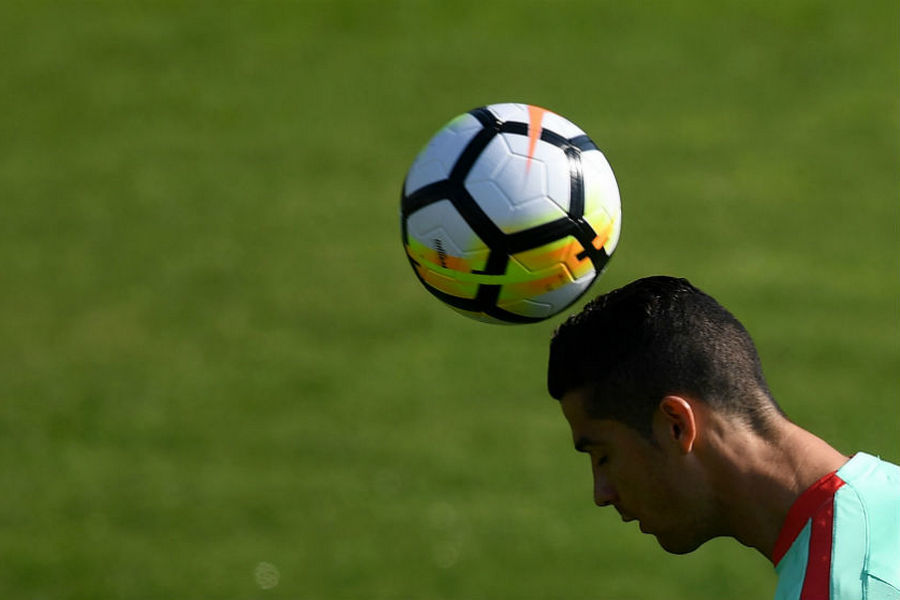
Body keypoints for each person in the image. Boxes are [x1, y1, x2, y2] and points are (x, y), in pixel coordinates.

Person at [547, 276, 899, 600]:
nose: (602, 493)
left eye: (603, 456)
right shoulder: (885, 495)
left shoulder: (842, 587)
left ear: (676, 425)